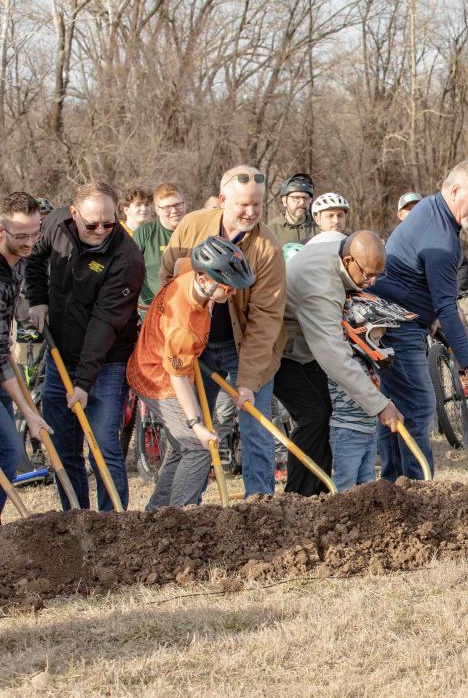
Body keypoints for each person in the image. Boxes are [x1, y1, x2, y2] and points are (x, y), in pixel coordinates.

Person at [160, 165, 286, 497]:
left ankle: (259, 505)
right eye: (243, 204)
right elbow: (167, 283)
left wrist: (246, 382)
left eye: (257, 204)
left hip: (244, 344)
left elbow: (266, 319)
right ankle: (185, 508)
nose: (251, 212)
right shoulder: (191, 226)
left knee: (255, 425)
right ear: (221, 199)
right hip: (196, 344)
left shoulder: (267, 247)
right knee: (194, 431)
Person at [371, 161, 468, 480]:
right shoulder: (441, 240)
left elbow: (432, 298)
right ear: (454, 191)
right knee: (420, 405)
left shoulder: (431, 208)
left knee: (396, 404)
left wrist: (433, 316)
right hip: (399, 325)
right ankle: (418, 489)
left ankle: (394, 483)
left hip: (395, 317)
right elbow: (447, 307)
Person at [27, 181, 144, 510]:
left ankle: (111, 525)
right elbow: (35, 257)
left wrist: (82, 384)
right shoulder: (56, 224)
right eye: (92, 224)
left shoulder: (127, 257)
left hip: (106, 362)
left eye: (109, 223)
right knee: (64, 447)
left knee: (103, 446)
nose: (101, 230)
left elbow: (103, 326)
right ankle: (76, 520)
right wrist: (37, 300)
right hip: (59, 354)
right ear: (74, 213)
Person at [128, 237, 254, 509]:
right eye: (229, 290)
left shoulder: (188, 270)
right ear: (206, 280)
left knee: (181, 449)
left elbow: (181, 262)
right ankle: (180, 519)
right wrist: (196, 424)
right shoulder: (183, 325)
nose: (232, 295)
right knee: (198, 447)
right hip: (157, 377)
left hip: (168, 363)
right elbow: (177, 378)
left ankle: (157, 513)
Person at [279, 228, 403, 494]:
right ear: (348, 261)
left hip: (306, 345)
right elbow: (334, 356)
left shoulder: (339, 242)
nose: (371, 281)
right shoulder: (319, 289)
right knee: (314, 416)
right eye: (367, 274)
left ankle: (321, 491)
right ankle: (300, 497)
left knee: (325, 413)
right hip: (281, 350)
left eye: (377, 274)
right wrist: (379, 405)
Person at [0, 193, 51, 521]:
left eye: (36, 233)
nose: (30, 242)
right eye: (21, 236)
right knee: (10, 449)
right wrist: (29, 414)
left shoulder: (17, 262)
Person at [133, 183, 188, 310]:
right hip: (150, 309)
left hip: (185, 309)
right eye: (167, 207)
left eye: (177, 205)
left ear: (184, 204)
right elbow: (128, 268)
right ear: (157, 210)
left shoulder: (195, 230)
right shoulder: (145, 232)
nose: (174, 211)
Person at [268, 172, 317, 246]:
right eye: (296, 198)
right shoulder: (271, 230)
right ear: (284, 201)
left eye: (306, 198)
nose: (302, 202)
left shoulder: (319, 227)